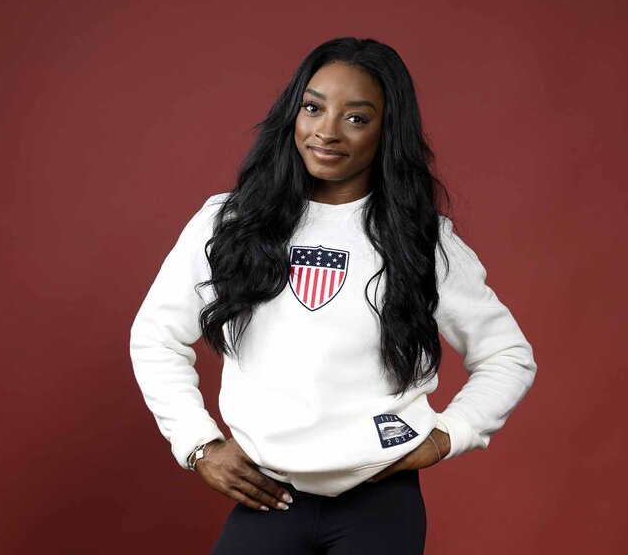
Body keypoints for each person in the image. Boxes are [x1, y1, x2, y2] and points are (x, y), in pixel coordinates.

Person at [129, 36, 537, 554]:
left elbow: (508, 355)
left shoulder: (422, 241)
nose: (326, 131)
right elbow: (155, 337)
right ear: (293, 114)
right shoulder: (229, 222)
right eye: (313, 108)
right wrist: (198, 445)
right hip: (268, 495)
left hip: (380, 505)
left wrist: (447, 435)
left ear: (387, 131)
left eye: (356, 117)